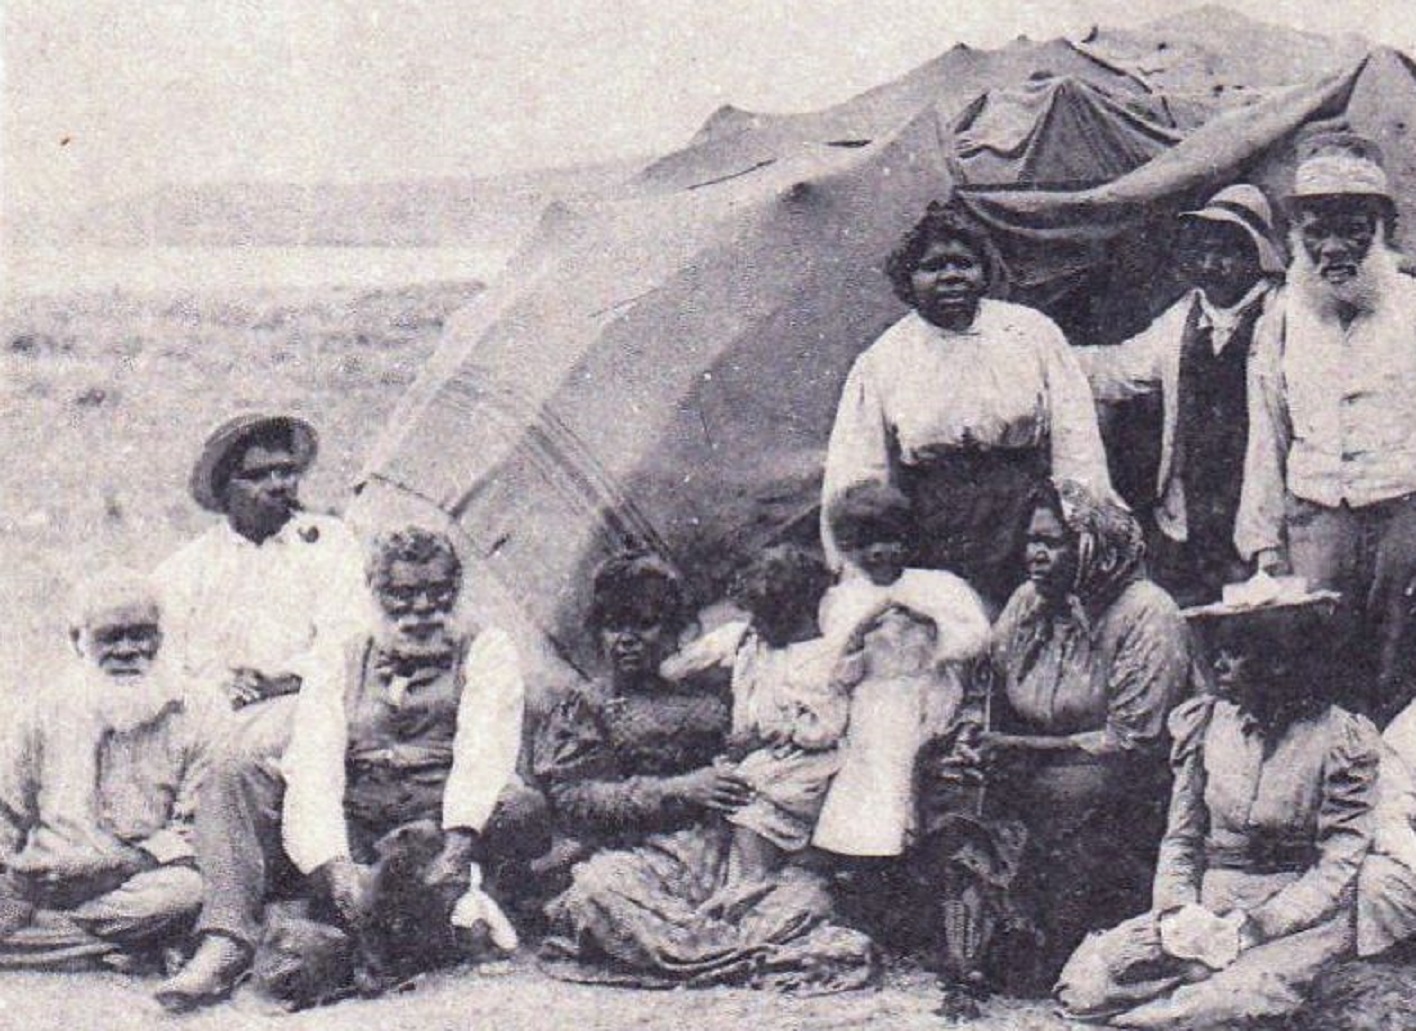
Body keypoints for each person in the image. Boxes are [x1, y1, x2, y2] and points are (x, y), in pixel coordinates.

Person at [156, 526, 541, 1009]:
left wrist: (456, 846)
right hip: (355, 821)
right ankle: (226, 936)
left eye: (436, 594)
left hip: (434, 828)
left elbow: (483, 755)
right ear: (375, 594)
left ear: (455, 591)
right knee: (238, 772)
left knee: (514, 805)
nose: (421, 610)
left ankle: (367, 921)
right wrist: (335, 867)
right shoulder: (341, 655)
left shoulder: (486, 649)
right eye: (401, 596)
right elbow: (315, 766)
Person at [535, 553, 875, 991]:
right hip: (645, 858)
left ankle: (706, 943)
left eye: (645, 624)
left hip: (730, 854)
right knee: (597, 891)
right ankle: (739, 950)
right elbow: (572, 797)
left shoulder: (718, 685)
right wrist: (681, 789)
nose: (627, 639)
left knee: (809, 896)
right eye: (613, 625)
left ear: (676, 629)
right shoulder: (589, 703)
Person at [1057, 591, 1381, 1029]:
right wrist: (1177, 912)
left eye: (1236, 654)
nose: (1220, 666)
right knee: (1087, 986)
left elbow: (1339, 861)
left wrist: (1259, 926)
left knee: (1222, 1004)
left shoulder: (1341, 738)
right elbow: (1182, 837)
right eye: (1220, 653)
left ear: (1278, 662)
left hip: (1296, 916)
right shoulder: (1208, 724)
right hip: (1206, 909)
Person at [151, 412, 368, 1006]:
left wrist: (281, 679)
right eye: (260, 475)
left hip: (310, 701)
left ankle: (225, 939)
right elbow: (165, 660)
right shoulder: (186, 570)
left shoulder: (326, 544)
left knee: (235, 761)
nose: (280, 486)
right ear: (226, 490)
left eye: (287, 471)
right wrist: (217, 685)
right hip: (216, 710)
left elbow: (348, 639)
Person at [944, 479, 1191, 993]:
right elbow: (985, 680)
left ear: (1093, 543)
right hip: (1040, 758)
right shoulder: (1029, 602)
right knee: (946, 783)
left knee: (1064, 796)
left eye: (1052, 542)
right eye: (1032, 540)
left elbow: (1135, 741)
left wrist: (1019, 749)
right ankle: (967, 942)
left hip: (1127, 775)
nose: (1035, 555)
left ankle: (1046, 946)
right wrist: (972, 733)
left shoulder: (1147, 613)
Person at [822, 198, 1112, 607]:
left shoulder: (1030, 333)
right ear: (908, 278)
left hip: (1024, 513)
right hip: (935, 524)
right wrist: (859, 561)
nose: (951, 276)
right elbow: (858, 468)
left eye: (963, 263)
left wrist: (1083, 519)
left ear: (984, 271)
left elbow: (1075, 435)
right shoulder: (883, 360)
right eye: (934, 266)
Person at [1236, 132, 1416, 723]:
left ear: (1380, 227)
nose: (1334, 248)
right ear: (1297, 235)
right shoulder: (1281, 318)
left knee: (1401, 676)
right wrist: (1266, 547)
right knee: (1318, 676)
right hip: (1314, 522)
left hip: (1403, 522)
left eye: (1352, 227)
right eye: (1317, 230)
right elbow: (1268, 435)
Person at [1081, 184, 1286, 606]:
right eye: (1203, 252)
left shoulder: (1284, 315)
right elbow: (1121, 369)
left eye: (1228, 252)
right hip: (1189, 512)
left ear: (1257, 255)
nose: (1212, 265)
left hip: (1260, 504)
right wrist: (1044, 354)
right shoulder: (1185, 316)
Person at [0, 572, 214, 971]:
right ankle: (124, 949)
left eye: (141, 634)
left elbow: (195, 829)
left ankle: (40, 943)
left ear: (162, 637)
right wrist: (12, 877)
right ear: (77, 641)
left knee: (187, 894)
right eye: (111, 637)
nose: (129, 650)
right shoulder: (44, 709)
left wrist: (117, 864)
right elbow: (6, 808)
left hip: (139, 881)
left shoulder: (199, 710)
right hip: (46, 880)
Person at [811, 482, 992, 860]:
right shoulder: (842, 599)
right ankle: (871, 862)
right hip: (872, 701)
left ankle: (914, 857)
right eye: (863, 544)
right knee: (870, 776)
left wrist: (930, 623)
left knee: (913, 768)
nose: (877, 552)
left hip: (926, 692)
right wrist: (858, 637)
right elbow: (835, 673)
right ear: (848, 550)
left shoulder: (938, 586)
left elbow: (976, 639)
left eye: (888, 540)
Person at [660, 545, 845, 907]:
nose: (756, 626)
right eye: (754, 617)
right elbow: (673, 668)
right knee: (727, 788)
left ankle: (749, 887)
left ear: (795, 614)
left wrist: (773, 732)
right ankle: (734, 884)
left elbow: (825, 728)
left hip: (804, 762)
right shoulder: (749, 639)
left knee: (754, 802)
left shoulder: (822, 658)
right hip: (757, 754)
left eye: (766, 618)